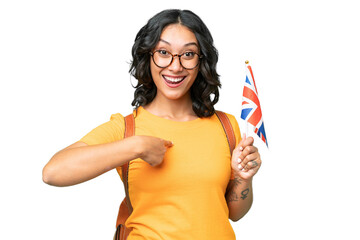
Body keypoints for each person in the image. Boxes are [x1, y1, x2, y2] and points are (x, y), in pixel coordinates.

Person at [42, 9, 262, 239]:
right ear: (148, 56)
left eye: (188, 54)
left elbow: (234, 213)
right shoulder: (127, 129)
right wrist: (136, 147)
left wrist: (243, 179)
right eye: (163, 52)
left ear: (201, 61)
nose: (175, 66)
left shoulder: (227, 126)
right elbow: (53, 172)